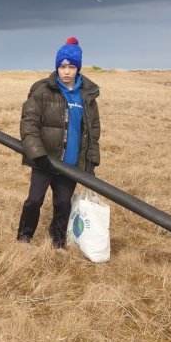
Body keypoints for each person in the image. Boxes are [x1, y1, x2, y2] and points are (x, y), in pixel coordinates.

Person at [17, 37, 101, 248]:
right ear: (57, 66)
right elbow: (29, 123)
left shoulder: (86, 96)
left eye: (71, 66)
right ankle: (24, 239)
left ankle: (57, 242)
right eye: (62, 66)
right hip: (45, 160)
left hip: (69, 164)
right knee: (34, 200)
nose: (66, 71)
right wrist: (38, 155)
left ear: (78, 68)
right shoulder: (42, 91)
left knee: (63, 204)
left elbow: (93, 132)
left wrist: (90, 164)